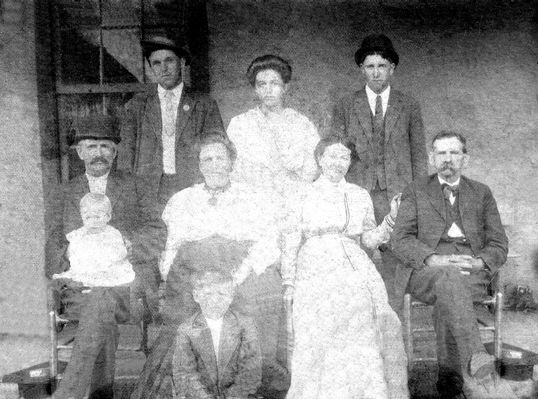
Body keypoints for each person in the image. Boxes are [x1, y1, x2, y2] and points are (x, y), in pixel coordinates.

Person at [130, 134, 288, 399]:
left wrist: (239, 274)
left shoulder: (254, 198)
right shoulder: (182, 200)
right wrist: (183, 281)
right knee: (183, 326)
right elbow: (171, 246)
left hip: (239, 275)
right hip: (190, 278)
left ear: (232, 163)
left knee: (246, 322)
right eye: (207, 159)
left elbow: (268, 243)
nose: (214, 165)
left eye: (220, 158)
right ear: (199, 165)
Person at [281, 136, 409, 399]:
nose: (339, 163)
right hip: (315, 263)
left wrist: (391, 220)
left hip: (354, 262)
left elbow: (368, 240)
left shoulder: (359, 194)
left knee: (372, 314)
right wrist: (289, 284)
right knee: (329, 318)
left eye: (345, 157)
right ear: (319, 159)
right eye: (332, 156)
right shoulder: (301, 192)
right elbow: (291, 240)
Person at [391, 131, 515, 398]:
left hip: (472, 273)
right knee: (448, 278)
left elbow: (498, 243)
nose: (447, 159)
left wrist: (478, 263)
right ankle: (476, 354)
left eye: (454, 153)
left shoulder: (482, 193)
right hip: (427, 271)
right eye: (441, 153)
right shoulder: (415, 190)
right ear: (432, 158)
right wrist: (434, 259)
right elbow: (400, 239)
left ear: (465, 159)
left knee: (450, 297)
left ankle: (450, 385)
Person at [45, 115, 156, 399]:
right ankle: (98, 394)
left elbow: (156, 229)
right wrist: (73, 255)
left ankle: (69, 393)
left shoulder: (135, 186)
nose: (98, 154)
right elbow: (53, 244)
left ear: (115, 152)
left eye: (105, 146)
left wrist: (129, 246)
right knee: (97, 301)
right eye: (91, 146)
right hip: (80, 287)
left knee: (101, 302)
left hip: (125, 288)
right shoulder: (63, 192)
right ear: (80, 152)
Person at [331, 33, 427, 296]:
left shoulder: (408, 105)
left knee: (394, 260)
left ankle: (393, 321)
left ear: (392, 69)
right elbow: (336, 154)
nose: (376, 73)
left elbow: (419, 156)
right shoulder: (346, 105)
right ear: (362, 69)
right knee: (353, 258)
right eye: (370, 66)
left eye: (381, 66)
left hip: (395, 194)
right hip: (357, 193)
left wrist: (417, 195)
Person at [117, 35, 225, 205]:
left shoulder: (204, 104)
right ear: (151, 68)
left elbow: (218, 149)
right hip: (148, 192)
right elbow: (125, 156)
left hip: (192, 188)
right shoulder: (136, 106)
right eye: (157, 63)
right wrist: (129, 196)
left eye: (169, 61)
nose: (163, 68)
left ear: (181, 63)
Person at [227, 54, 319, 199]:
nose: (268, 90)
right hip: (253, 200)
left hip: (293, 199)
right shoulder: (240, 124)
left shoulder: (303, 124)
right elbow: (233, 170)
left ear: (285, 87)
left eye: (274, 83)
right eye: (261, 84)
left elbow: (312, 169)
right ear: (255, 89)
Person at [173, 270, 262, 399]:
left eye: (221, 294)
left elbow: (251, 371)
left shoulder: (245, 325)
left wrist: (231, 397)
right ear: (196, 296)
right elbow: (185, 374)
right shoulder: (186, 330)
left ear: (231, 297)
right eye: (208, 294)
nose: (214, 300)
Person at [52, 193, 135, 287]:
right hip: (85, 269)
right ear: (81, 216)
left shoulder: (112, 233)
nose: (92, 222)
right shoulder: (79, 234)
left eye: (97, 217)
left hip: (107, 269)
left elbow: (120, 254)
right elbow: (70, 251)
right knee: (73, 278)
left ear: (108, 216)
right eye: (88, 217)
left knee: (108, 280)